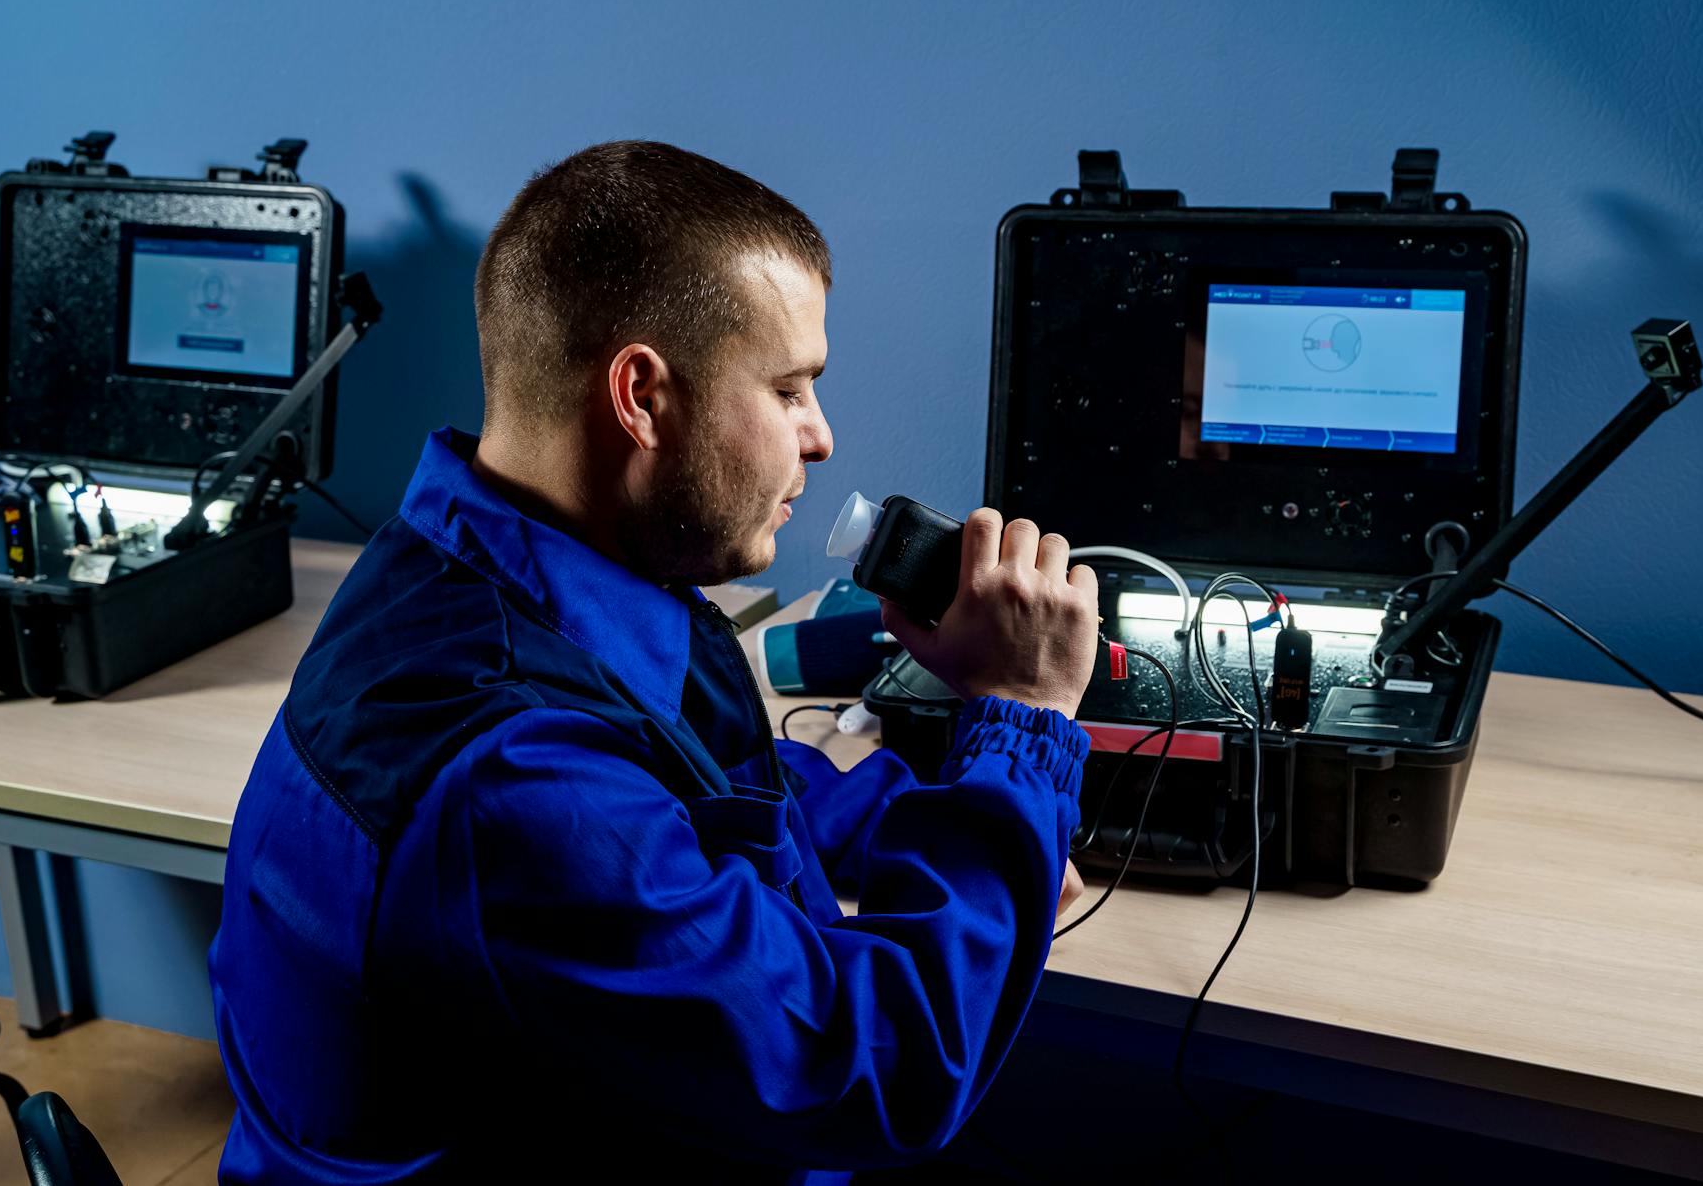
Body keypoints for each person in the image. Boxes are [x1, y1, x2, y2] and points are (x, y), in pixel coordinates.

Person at [208, 140, 1099, 1183]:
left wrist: (940, 820)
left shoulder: (469, 560)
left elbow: (695, 787)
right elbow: (879, 1071)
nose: (818, 436)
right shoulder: (515, 790)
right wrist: (1022, 721)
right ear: (641, 396)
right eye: (790, 389)